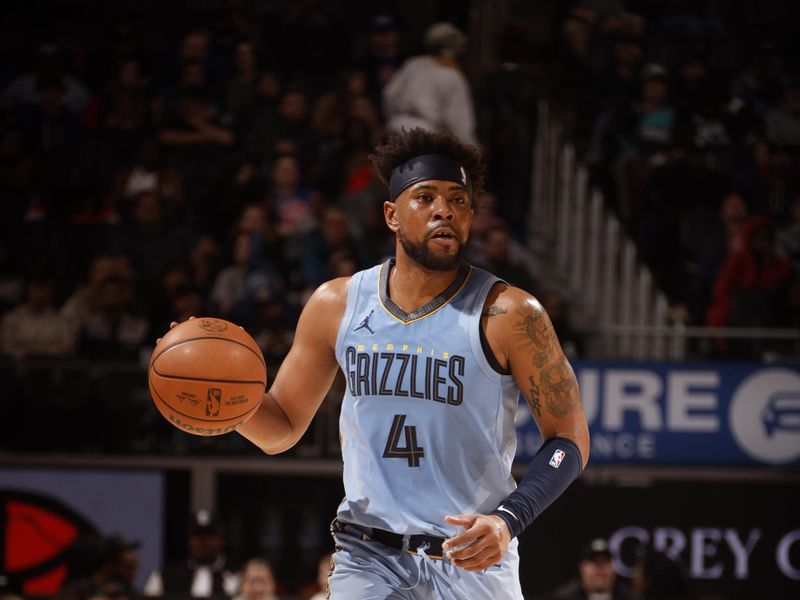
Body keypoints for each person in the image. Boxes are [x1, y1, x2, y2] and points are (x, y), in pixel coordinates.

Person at [161, 128, 589, 599]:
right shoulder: (336, 304)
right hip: (367, 558)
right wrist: (226, 404)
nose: (444, 210)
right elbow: (280, 426)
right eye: (425, 197)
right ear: (391, 214)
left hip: (472, 559)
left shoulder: (510, 313)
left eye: (459, 200)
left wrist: (509, 520)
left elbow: (569, 438)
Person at [144, 510, 239, 599]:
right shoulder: (166, 576)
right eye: (196, 535)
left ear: (220, 539)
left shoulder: (237, 575)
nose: (202, 542)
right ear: (189, 539)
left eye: (208, 535)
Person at [544, 538, 636, 600]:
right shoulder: (560, 598)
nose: (600, 568)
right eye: (594, 561)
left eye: (605, 561)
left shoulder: (633, 598)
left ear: (614, 568)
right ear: (582, 568)